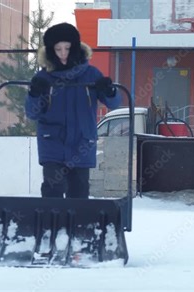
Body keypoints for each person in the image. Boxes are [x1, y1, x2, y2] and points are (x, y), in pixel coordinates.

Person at [25, 22, 121, 199]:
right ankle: (50, 224)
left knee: (79, 190)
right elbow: (32, 113)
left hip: (82, 142)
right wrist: (34, 93)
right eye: (58, 49)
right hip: (52, 143)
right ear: (50, 50)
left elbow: (114, 103)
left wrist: (109, 90)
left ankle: (78, 225)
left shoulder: (91, 74)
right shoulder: (43, 78)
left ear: (75, 48)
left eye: (67, 48)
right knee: (53, 188)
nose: (63, 54)